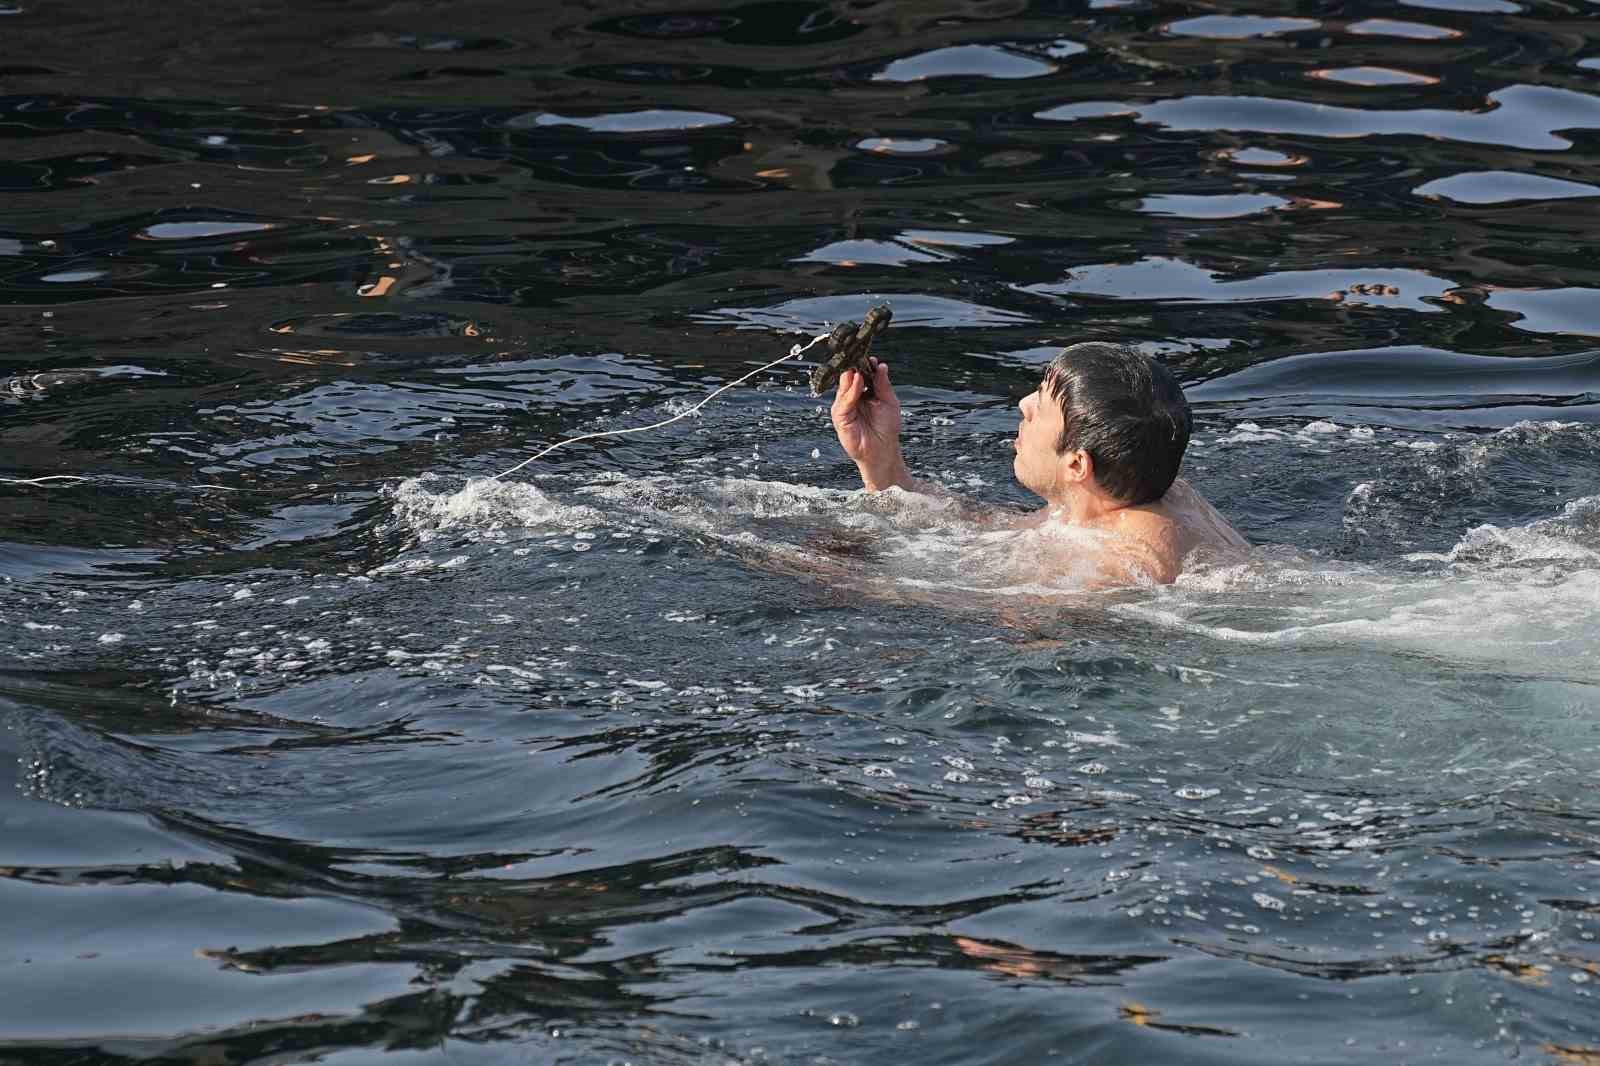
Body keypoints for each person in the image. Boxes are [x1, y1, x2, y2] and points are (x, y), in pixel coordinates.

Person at [829, 341, 1247, 587]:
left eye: (1042, 407)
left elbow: (955, 601)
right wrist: (881, 461)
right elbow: (991, 530)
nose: (1023, 404)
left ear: (1078, 464)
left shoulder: (1111, 567)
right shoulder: (1151, 494)